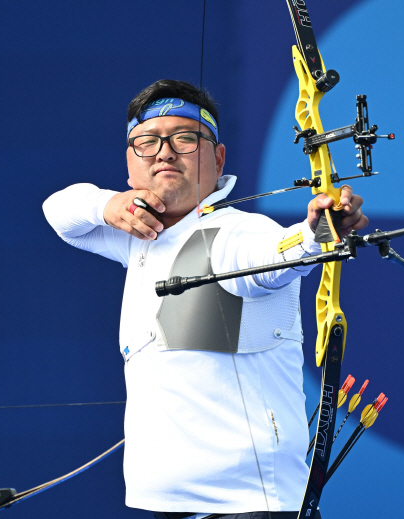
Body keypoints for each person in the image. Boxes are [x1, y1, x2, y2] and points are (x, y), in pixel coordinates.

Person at [43, 79, 367, 519]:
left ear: (217, 158)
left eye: (184, 139)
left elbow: (281, 255)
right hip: (167, 508)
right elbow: (59, 210)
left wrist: (321, 230)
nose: (163, 152)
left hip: (251, 510)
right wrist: (109, 205)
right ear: (129, 161)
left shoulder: (238, 232)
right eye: (147, 142)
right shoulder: (140, 236)